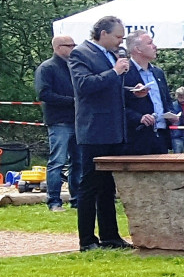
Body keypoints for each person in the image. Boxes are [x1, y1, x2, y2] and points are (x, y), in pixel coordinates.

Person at [69, 16, 134, 249]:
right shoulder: (81, 54)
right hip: (94, 129)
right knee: (90, 185)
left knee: (107, 186)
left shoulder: (111, 55)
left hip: (113, 129)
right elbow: (84, 86)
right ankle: (87, 239)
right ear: (103, 33)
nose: (120, 42)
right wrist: (115, 72)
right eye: (117, 37)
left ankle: (110, 236)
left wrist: (131, 90)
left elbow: (109, 87)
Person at [36, 35, 77, 212]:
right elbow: (44, 94)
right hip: (59, 121)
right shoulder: (47, 68)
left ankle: (77, 200)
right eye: (70, 45)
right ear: (59, 47)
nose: (74, 48)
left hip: (77, 121)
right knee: (57, 162)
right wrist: (72, 101)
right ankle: (54, 200)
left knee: (78, 162)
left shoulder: (74, 67)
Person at [122, 32, 174, 157]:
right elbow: (117, 105)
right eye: (150, 43)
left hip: (161, 135)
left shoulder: (158, 72)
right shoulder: (124, 72)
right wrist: (138, 117)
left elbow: (166, 100)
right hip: (137, 137)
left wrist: (171, 114)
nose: (155, 46)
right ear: (137, 49)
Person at [167, 87, 184, 153]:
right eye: (180, 97)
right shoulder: (173, 105)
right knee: (177, 154)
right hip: (177, 134)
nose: (183, 99)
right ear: (177, 96)